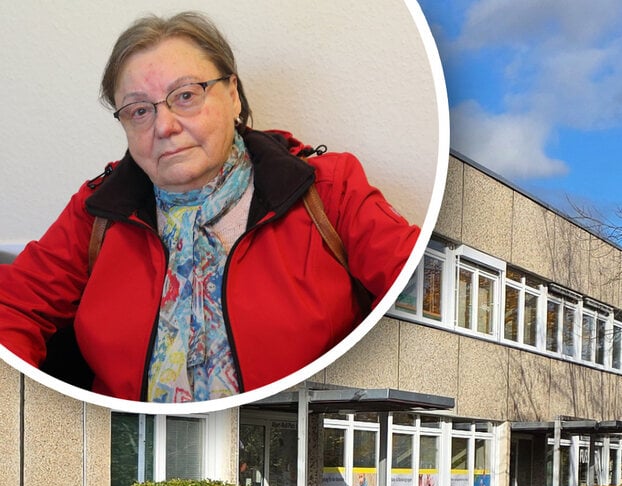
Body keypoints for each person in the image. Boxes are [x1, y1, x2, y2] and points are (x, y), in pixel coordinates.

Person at [0, 11, 419, 402]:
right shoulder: (97, 211)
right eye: (139, 111)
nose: (164, 126)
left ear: (233, 95)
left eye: (186, 95)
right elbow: (12, 307)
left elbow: (420, 294)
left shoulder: (328, 190)